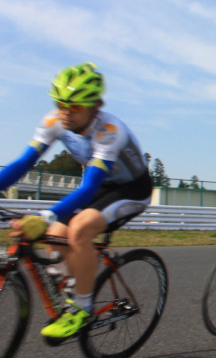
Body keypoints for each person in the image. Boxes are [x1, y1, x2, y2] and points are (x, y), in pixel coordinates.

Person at [0, 63, 153, 338]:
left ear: (95, 106)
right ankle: (77, 282)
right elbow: (24, 162)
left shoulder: (109, 130)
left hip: (132, 189)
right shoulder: (54, 121)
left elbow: (89, 184)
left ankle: (81, 309)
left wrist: (45, 216)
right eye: (60, 104)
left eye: (74, 107)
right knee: (55, 235)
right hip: (101, 186)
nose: (65, 113)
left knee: (80, 229)